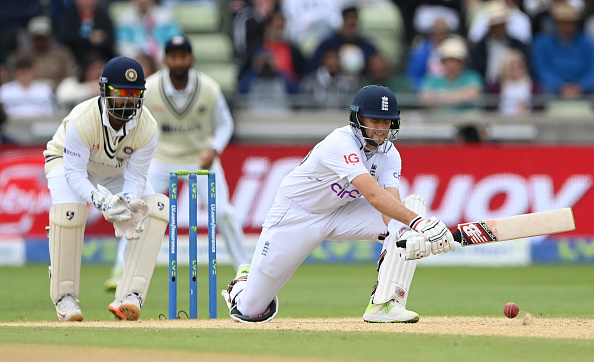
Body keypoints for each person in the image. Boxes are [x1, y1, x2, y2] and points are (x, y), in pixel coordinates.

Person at [221, 84, 455, 323]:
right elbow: (373, 195)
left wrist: (410, 231)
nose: (381, 129)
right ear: (357, 117)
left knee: (406, 218)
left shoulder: (390, 154)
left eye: (387, 122)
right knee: (251, 311)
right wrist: (419, 223)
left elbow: (390, 202)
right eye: (375, 120)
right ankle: (242, 285)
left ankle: (385, 304)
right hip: (297, 215)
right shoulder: (340, 142)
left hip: (342, 213)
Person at [105, 35, 249, 290]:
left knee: (224, 212)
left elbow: (226, 124)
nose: (179, 61)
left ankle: (244, 269)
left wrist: (214, 149)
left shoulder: (209, 88)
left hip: (200, 160)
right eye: (174, 56)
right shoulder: (149, 88)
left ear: (191, 58)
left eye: (183, 56)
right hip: (160, 159)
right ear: (166, 59)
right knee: (135, 209)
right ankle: (121, 269)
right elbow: (134, 122)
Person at [43, 56, 169, 321]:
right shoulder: (82, 119)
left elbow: (136, 176)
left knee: (155, 207)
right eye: (121, 93)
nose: (128, 101)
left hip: (116, 169)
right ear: (105, 90)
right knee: (71, 213)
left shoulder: (147, 127)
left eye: (134, 95)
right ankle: (65, 299)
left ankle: (131, 296)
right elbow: (74, 173)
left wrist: (127, 200)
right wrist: (100, 202)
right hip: (66, 163)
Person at [532, 2, 594, 97]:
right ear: (557, 22)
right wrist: (560, 86)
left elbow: (592, 69)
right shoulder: (542, 42)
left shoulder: (587, 43)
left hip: (581, 86)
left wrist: (581, 86)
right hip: (554, 86)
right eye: (564, 21)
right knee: (545, 88)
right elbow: (542, 69)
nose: (568, 25)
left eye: (571, 21)